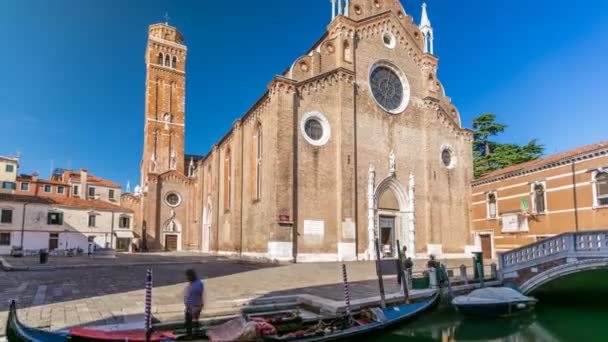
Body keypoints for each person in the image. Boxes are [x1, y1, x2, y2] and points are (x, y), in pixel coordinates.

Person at [184, 269, 204, 339]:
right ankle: (195, 333)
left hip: (194, 306)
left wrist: (189, 306)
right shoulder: (195, 283)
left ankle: (190, 335)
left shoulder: (196, 284)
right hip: (193, 306)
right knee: (194, 320)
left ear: (191, 276)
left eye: (187, 276)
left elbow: (195, 295)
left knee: (189, 320)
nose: (186, 278)